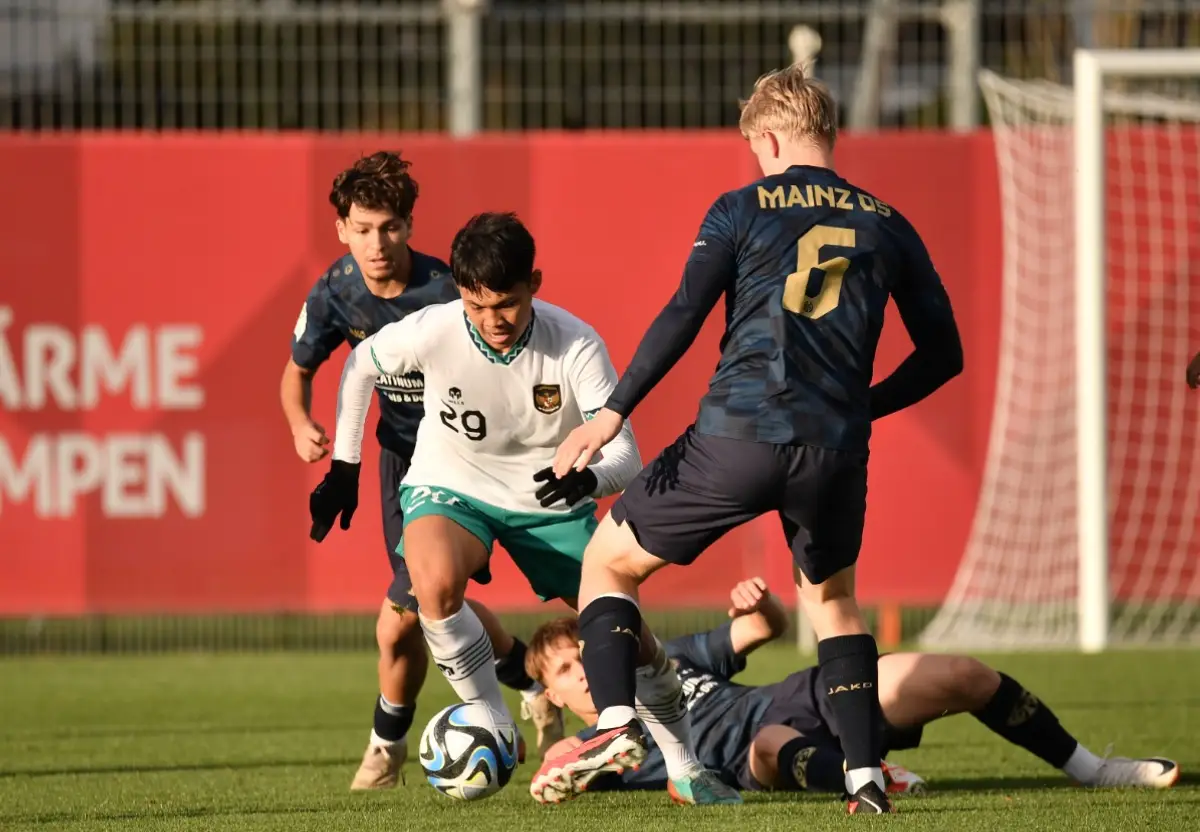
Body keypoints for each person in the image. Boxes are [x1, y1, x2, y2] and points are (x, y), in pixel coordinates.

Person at [542, 64, 965, 814]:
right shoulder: (888, 221)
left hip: (738, 434)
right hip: (834, 448)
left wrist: (610, 413)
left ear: (767, 138)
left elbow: (684, 313)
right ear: (828, 134)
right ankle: (864, 777)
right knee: (834, 603)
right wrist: (865, 406)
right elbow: (945, 354)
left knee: (608, 563)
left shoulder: (743, 206)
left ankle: (612, 723)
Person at [317, 211, 740, 805]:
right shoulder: (434, 328)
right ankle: (492, 718)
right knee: (430, 584)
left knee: (631, 639)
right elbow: (361, 366)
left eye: (508, 304)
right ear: (461, 293)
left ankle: (685, 766)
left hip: (551, 502)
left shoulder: (574, 343)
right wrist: (345, 464)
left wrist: (589, 482)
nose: (492, 320)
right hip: (452, 485)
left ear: (534, 283)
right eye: (477, 305)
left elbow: (626, 453)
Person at [283, 153, 560, 790]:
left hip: (464, 463)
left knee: (404, 614)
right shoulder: (334, 291)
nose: (376, 243)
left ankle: (387, 746)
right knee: (427, 603)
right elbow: (297, 372)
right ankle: (529, 684)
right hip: (398, 465)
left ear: (409, 226)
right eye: (362, 228)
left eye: (389, 228)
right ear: (342, 230)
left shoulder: (447, 289)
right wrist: (301, 423)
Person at [528, 578, 1180, 803]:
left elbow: (761, 629)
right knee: (769, 745)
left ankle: (1092, 769)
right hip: (757, 758)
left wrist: (756, 605)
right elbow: (549, 781)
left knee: (965, 676)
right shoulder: (592, 751)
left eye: (584, 655)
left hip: (800, 693)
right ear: (550, 695)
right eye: (562, 671)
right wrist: (549, 743)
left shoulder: (661, 662)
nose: (583, 670)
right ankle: (868, 775)